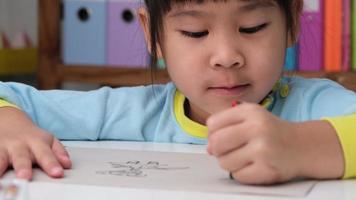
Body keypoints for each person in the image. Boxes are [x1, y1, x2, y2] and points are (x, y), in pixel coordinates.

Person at [0, 0, 355, 185]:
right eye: (195, 32)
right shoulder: (128, 111)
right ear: (152, 33)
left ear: (292, 21)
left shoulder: (312, 104)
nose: (227, 56)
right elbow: (10, 96)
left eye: (252, 27)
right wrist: (10, 125)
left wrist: (300, 147)